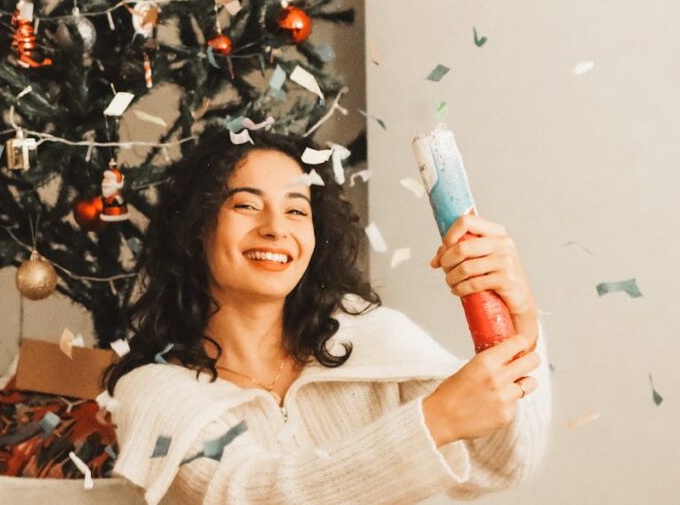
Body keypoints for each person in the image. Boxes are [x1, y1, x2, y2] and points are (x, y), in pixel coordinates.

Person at [102, 128, 551, 504]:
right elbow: (248, 492)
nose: (276, 228)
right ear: (197, 229)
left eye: (297, 210)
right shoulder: (154, 390)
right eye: (246, 205)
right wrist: (434, 421)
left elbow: (502, 462)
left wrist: (519, 310)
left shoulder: (375, 339)